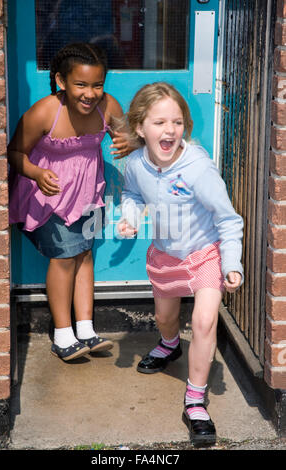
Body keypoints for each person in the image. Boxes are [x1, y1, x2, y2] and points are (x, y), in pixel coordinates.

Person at [118, 82, 243, 446]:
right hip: (165, 255)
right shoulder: (136, 163)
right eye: (159, 123)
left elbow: (228, 220)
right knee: (165, 318)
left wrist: (231, 262)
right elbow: (131, 194)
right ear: (140, 128)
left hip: (205, 253)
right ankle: (170, 343)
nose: (169, 130)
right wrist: (129, 216)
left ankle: (195, 400)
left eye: (176, 121)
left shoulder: (199, 169)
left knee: (204, 321)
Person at [8, 42, 132, 362]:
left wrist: (129, 143)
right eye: (81, 85)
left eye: (97, 85)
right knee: (64, 258)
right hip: (46, 195)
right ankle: (63, 335)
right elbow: (14, 153)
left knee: (84, 255)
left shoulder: (108, 107)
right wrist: (36, 173)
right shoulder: (46, 111)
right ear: (62, 81)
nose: (90, 93)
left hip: (87, 193)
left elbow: (126, 136)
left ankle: (86, 329)